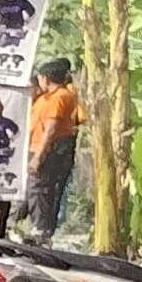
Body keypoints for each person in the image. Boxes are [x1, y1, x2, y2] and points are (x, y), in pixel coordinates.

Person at [28, 56, 85, 240]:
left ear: (46, 78)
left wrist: (38, 156)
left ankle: (40, 228)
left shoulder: (60, 97)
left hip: (50, 149)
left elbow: (51, 129)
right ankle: (39, 226)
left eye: (40, 78)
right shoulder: (46, 98)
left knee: (40, 188)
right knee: (38, 188)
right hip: (38, 146)